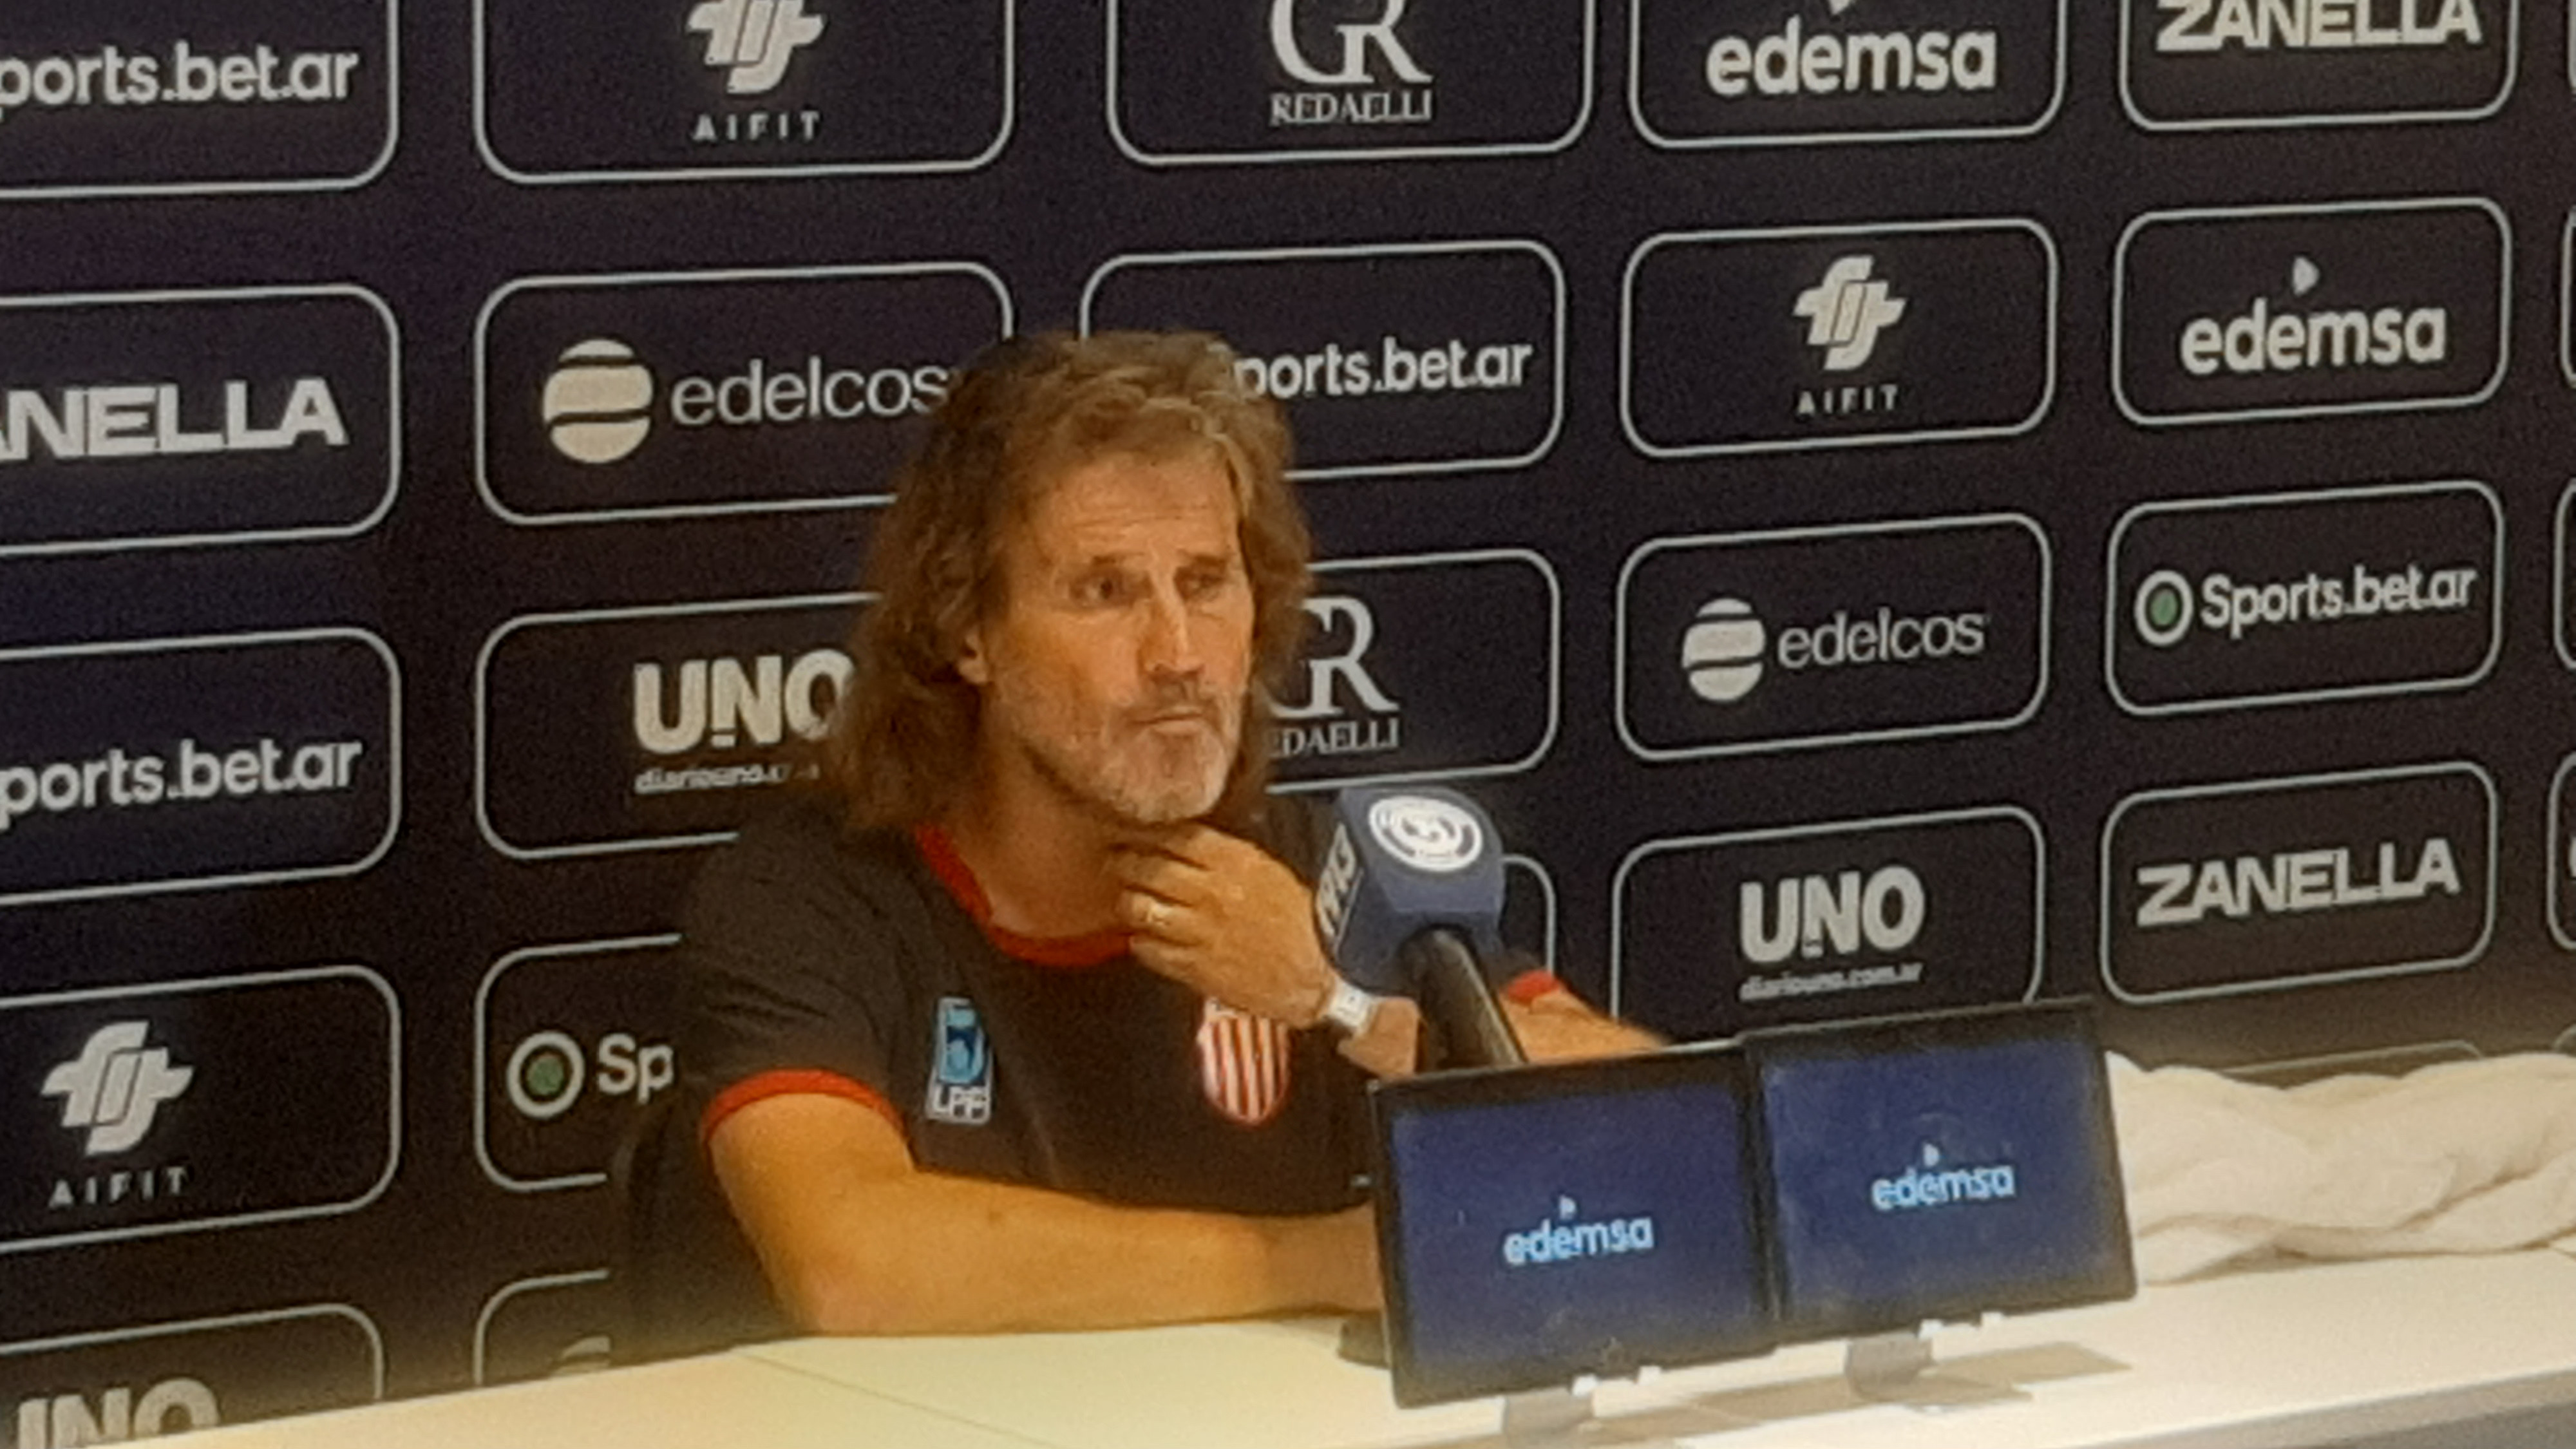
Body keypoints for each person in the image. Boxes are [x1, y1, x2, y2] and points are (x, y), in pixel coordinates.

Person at [666, 330, 1653, 1343]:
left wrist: (1340, 998)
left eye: (1207, 581)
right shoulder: (811, 896)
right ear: (970, 631)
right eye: (1105, 591)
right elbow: (853, 1265)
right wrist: (1321, 1259)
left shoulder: (1321, 878)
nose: (1178, 653)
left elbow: (1654, 1136)